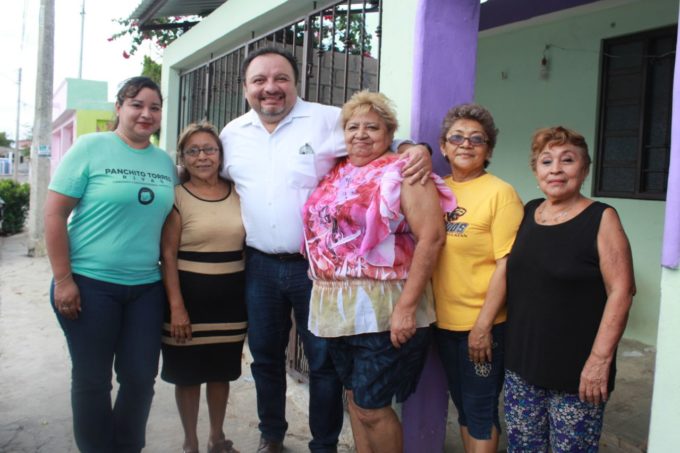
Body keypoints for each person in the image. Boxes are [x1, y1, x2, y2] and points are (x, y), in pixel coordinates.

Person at [219, 47, 432, 453]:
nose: (271, 88)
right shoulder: (232, 135)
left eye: (280, 78)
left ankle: (324, 444)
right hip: (260, 266)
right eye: (259, 80)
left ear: (295, 82)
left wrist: (416, 149)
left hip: (312, 270)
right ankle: (272, 436)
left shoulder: (324, 119)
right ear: (245, 87)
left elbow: (378, 136)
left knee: (323, 363)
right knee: (265, 357)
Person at [302, 90, 455, 453]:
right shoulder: (336, 170)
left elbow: (432, 238)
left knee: (372, 406)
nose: (361, 134)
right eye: (353, 127)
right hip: (337, 308)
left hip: (385, 307)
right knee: (356, 397)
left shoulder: (405, 170)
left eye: (372, 127)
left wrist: (406, 307)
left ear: (390, 133)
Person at [44, 76, 177, 453]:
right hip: (89, 284)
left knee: (139, 378)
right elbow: (54, 215)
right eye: (136, 104)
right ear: (119, 108)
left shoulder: (163, 162)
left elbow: (169, 225)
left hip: (145, 288)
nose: (146, 114)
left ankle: (127, 446)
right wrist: (63, 279)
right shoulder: (90, 148)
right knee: (92, 379)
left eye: (154, 107)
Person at [504, 126, 636, 452]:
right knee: (523, 447)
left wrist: (599, 360)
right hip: (522, 365)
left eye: (568, 160)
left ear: (585, 168)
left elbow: (622, 289)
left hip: (577, 373)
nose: (557, 169)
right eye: (546, 161)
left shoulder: (602, 218)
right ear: (536, 172)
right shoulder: (529, 211)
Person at [431, 103, 524, 452]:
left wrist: (483, 326)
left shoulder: (500, 193)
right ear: (443, 146)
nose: (466, 144)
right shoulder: (437, 188)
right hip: (443, 323)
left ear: (488, 149)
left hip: (483, 325)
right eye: (457, 137)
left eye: (476, 139)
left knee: (481, 410)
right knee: (465, 409)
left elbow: (506, 264)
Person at [160, 122, 245, 453]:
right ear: (183, 157)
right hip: (189, 299)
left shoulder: (238, 191)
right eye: (193, 151)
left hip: (230, 299)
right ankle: (191, 443)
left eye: (209, 149)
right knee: (189, 374)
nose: (202, 157)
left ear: (221, 154)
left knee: (221, 371)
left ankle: (216, 438)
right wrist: (177, 307)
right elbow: (167, 255)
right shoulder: (177, 197)